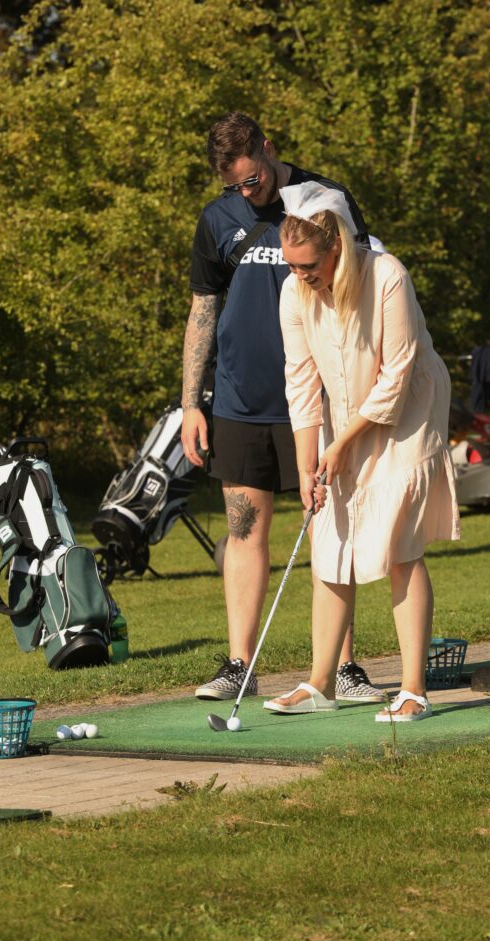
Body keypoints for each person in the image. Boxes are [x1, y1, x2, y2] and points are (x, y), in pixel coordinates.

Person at [181, 113, 384, 704]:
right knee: (244, 531)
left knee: (329, 530)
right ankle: (238, 665)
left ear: (268, 148)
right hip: (241, 401)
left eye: (253, 179)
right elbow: (202, 309)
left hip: (320, 401)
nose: (247, 192)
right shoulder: (218, 218)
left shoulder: (324, 201)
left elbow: (364, 287)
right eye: (236, 185)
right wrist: (191, 403)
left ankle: (343, 669)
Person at [263, 182, 460, 722]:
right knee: (330, 539)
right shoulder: (293, 294)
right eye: (292, 266)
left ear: (337, 249)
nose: (299, 276)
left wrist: (343, 441)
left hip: (408, 414)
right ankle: (320, 682)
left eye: (308, 266)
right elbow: (301, 384)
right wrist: (308, 465)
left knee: (400, 545)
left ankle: (414, 689)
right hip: (343, 413)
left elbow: (396, 379)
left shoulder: (388, 276)